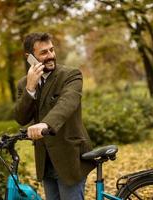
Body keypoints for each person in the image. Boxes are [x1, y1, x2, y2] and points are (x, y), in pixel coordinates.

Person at [14, 32, 95, 200]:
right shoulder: (24, 84)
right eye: (44, 52)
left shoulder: (71, 75)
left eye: (51, 50)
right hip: (45, 161)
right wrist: (30, 89)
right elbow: (21, 118)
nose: (50, 56)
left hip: (70, 157)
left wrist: (46, 124)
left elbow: (67, 103)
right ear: (30, 57)